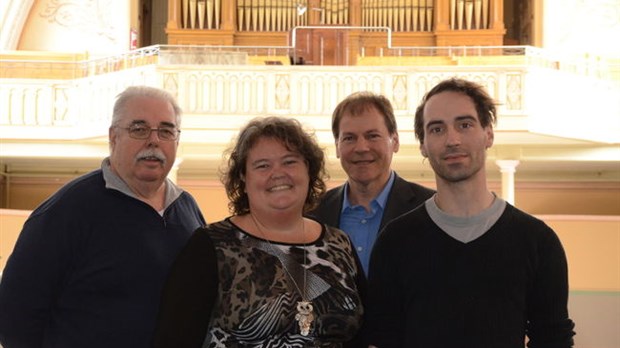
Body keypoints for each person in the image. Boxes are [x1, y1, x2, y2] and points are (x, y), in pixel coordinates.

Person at [365, 78, 576, 347]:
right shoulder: (395, 241)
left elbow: (553, 338)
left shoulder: (537, 241)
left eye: (464, 125)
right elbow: (383, 338)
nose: (452, 140)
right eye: (437, 129)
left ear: (488, 134)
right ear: (423, 145)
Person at [0, 86, 206, 348]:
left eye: (166, 130)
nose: (154, 141)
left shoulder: (187, 210)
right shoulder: (67, 211)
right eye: (139, 129)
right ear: (113, 137)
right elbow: (15, 317)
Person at [153, 116, 364, 347]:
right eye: (262, 165)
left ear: (308, 169)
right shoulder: (211, 246)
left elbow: (367, 334)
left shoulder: (339, 244)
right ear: (243, 177)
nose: (278, 173)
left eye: (289, 162)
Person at [308, 91, 434, 275]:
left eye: (372, 136)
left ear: (395, 142)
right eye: (349, 138)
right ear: (337, 146)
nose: (361, 148)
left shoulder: (430, 209)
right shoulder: (313, 214)